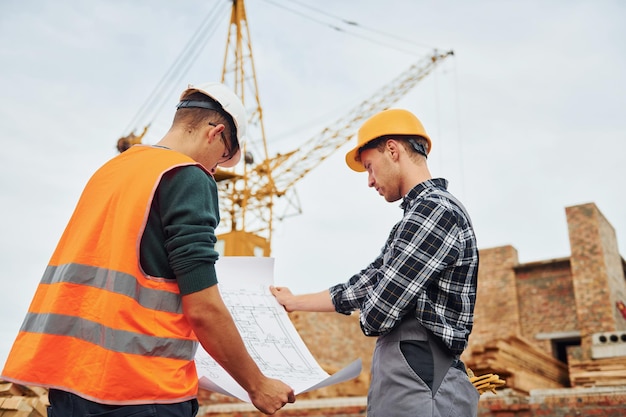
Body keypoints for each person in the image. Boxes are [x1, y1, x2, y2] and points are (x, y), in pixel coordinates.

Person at [2, 82, 295, 416]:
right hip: (142, 392)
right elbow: (203, 308)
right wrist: (257, 384)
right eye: (225, 157)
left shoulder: (109, 172)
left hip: (70, 385)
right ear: (215, 133)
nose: (217, 168)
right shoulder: (189, 177)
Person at [270, 108, 479, 416]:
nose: (369, 181)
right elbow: (363, 285)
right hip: (414, 374)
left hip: (423, 378)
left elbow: (377, 313)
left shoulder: (433, 212)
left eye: (370, 166)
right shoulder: (413, 220)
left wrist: (374, 301)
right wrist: (292, 301)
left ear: (393, 150)